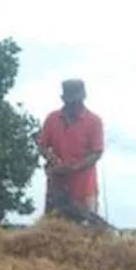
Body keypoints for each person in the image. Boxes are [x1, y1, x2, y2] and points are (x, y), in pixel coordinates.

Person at [37, 79, 104, 217]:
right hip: (56, 188)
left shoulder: (94, 121)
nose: (75, 105)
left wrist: (73, 168)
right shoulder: (52, 118)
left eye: (77, 100)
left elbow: (96, 153)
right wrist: (52, 159)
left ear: (84, 97)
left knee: (86, 233)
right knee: (52, 231)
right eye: (71, 101)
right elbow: (42, 145)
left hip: (84, 190)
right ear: (63, 99)